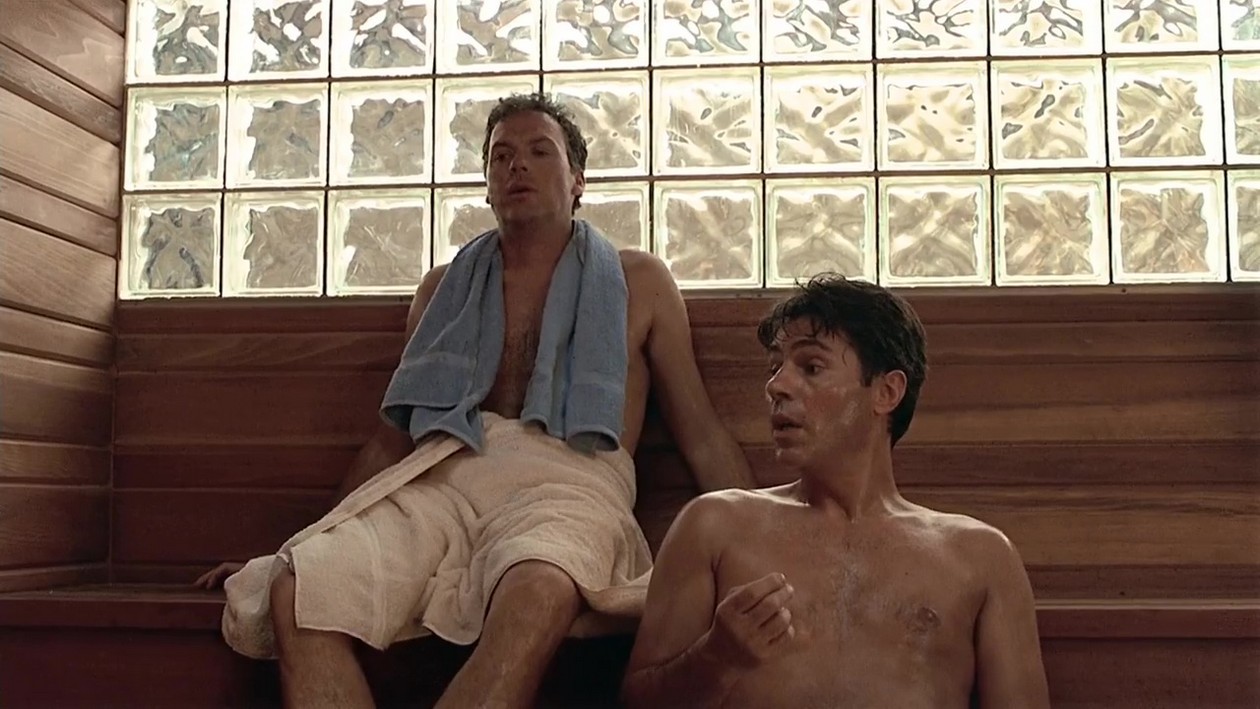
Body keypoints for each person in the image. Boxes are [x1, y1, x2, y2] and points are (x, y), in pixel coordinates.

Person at [196, 92, 756, 709]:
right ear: (487, 186)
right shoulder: (442, 291)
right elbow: (391, 442)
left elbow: (702, 433)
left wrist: (764, 540)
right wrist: (305, 540)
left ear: (578, 180)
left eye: (540, 152)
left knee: (540, 587)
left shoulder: (638, 281)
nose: (518, 166)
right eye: (501, 156)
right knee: (299, 587)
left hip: (572, 487)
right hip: (446, 481)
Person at [621, 274, 1050, 709]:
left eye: (811, 367)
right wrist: (716, 659)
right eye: (775, 368)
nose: (777, 386)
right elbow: (636, 702)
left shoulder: (982, 558)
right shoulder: (714, 528)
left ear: (886, 392)